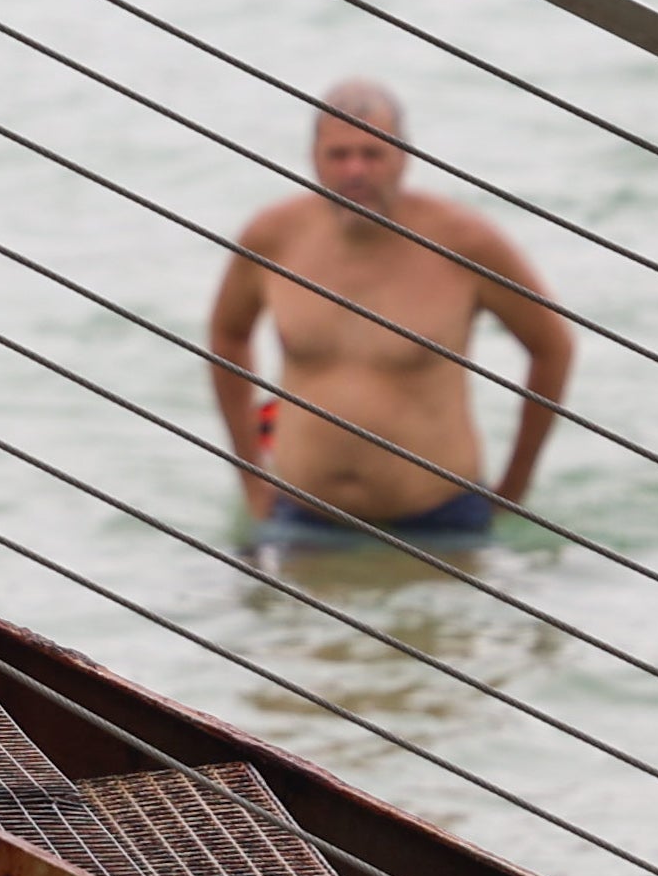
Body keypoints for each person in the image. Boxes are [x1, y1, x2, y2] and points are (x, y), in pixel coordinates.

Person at [205, 79, 574, 553]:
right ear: (314, 158)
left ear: (404, 157)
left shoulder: (464, 243)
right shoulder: (273, 238)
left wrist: (513, 490)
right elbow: (228, 335)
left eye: (372, 154)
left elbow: (552, 347)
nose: (355, 170)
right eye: (339, 155)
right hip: (301, 517)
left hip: (441, 523)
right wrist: (252, 479)